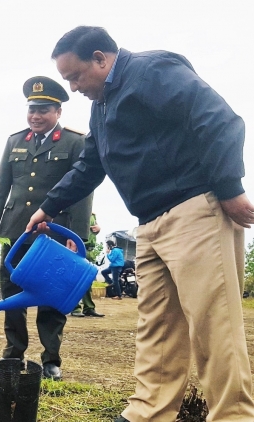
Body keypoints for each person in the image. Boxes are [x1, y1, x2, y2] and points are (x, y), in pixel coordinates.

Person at [27, 26, 254, 421]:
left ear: (101, 58)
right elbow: (90, 165)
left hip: (194, 210)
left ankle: (233, 415)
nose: (75, 86)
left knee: (213, 326)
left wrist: (229, 187)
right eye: (68, 80)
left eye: (76, 75)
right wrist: (48, 206)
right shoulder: (101, 107)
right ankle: (148, 412)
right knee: (157, 328)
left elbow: (218, 120)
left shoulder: (152, 71)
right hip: (149, 223)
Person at [0, 76, 93, 381]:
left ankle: (50, 361)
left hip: (55, 233)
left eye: (43, 110)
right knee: (12, 292)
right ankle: (13, 354)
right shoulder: (15, 141)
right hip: (16, 229)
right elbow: (2, 184)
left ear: (57, 112)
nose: (36, 115)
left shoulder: (75, 142)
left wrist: (78, 235)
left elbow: (82, 191)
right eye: (32, 109)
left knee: (52, 297)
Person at [71, 213, 104, 317]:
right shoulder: (76, 210)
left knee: (88, 280)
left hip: (90, 251)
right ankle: (75, 308)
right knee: (76, 280)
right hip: (79, 249)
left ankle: (89, 307)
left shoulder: (92, 213)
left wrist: (98, 228)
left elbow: (94, 229)